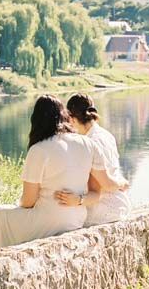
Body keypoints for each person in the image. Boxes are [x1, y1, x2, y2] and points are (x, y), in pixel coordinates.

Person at [0, 94, 124, 252]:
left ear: (36, 120)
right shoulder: (89, 144)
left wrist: (16, 206)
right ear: (64, 117)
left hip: (46, 221)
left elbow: (28, 201)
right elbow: (97, 194)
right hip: (74, 220)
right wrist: (78, 201)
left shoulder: (39, 150)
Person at [55, 93, 131, 225]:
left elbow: (105, 185)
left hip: (102, 210)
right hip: (120, 204)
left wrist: (122, 183)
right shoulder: (106, 135)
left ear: (72, 119)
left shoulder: (89, 143)